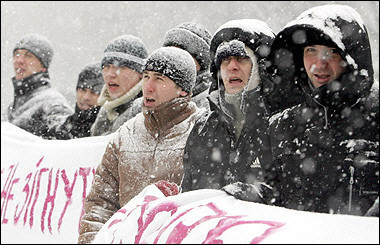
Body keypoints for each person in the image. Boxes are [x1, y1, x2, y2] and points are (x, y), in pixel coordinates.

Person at [78, 47, 205, 243]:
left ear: (183, 89)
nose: (148, 87)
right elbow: (100, 204)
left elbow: (208, 208)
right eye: (146, 77)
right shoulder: (125, 134)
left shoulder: (202, 132)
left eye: (159, 79)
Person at [265, 4, 379, 216]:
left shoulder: (375, 112)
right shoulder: (282, 124)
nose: (319, 63)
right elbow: (273, 193)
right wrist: (248, 196)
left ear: (352, 58)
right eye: (311, 51)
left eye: (332, 52)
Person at [181, 19, 276, 201]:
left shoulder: (279, 123)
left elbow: (298, 198)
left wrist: (256, 197)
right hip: (207, 227)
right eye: (225, 60)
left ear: (261, 68)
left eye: (241, 59)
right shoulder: (202, 127)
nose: (232, 67)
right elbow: (188, 196)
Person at [3, 33, 74, 139]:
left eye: (28, 56)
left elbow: (68, 136)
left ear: (43, 67)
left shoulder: (52, 102)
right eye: (17, 54)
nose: (20, 60)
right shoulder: (10, 109)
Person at [90, 34, 148, 136]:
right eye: (106, 66)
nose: (110, 74)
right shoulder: (105, 110)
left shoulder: (146, 112)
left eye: (120, 67)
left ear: (140, 73)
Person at [162, 22, 213, 110]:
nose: (174, 62)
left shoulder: (208, 105)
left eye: (184, 57)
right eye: (170, 54)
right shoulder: (148, 100)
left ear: (201, 65)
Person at [53, 62, 103, 139]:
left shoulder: (108, 130)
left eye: (94, 92)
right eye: (82, 89)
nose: (86, 97)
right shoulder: (64, 128)